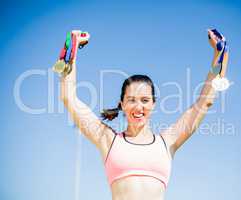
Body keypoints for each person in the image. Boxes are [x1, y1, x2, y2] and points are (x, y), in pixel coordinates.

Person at [60, 29, 229, 200]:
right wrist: (70, 54)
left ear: (153, 105)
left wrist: (220, 54)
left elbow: (204, 103)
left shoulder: (167, 142)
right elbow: (69, 98)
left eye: (145, 100)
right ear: (122, 105)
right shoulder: (108, 140)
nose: (138, 107)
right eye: (132, 100)